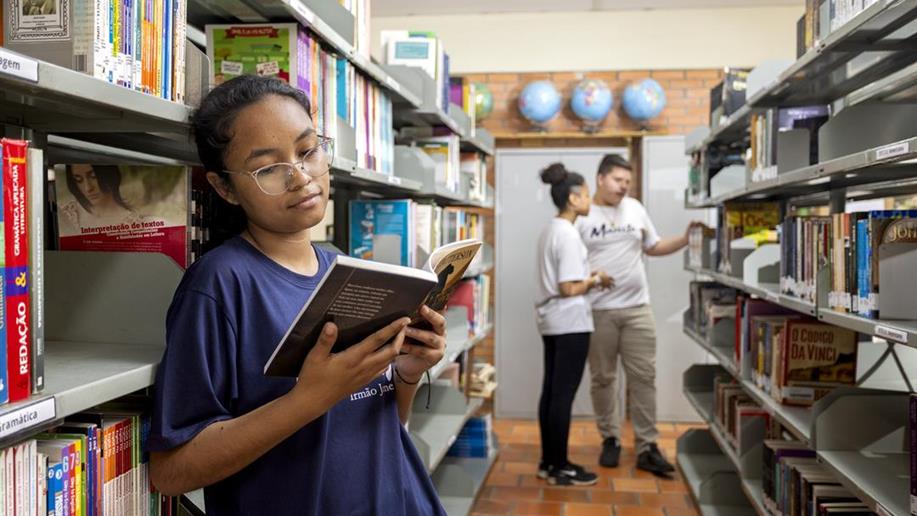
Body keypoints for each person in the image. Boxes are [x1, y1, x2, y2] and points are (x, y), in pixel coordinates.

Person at [147, 75, 448, 515]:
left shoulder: (345, 272)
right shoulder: (219, 286)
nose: (301, 176)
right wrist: (306, 401)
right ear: (224, 187)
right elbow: (172, 471)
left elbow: (385, 424)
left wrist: (406, 370)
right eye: (268, 168)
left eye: (308, 151)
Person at [575, 154, 701, 476]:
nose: (624, 187)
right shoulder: (582, 213)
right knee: (604, 379)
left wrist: (686, 239)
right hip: (598, 311)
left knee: (643, 377)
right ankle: (610, 440)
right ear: (601, 178)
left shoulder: (635, 208)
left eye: (627, 182)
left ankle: (647, 446)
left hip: (637, 309)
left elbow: (653, 247)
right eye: (618, 180)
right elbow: (569, 261)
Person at [534, 163, 613, 486]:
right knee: (562, 394)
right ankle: (560, 466)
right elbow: (568, 287)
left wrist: (588, 276)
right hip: (569, 323)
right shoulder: (567, 235)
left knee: (551, 391)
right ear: (572, 198)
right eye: (586, 195)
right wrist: (595, 279)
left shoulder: (552, 229)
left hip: (553, 321)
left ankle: (547, 462)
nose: (590, 200)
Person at [60, 164, 141, 230]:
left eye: (93, 176)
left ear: (109, 174)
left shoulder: (133, 225)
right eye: (79, 180)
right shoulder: (65, 212)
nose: (88, 188)